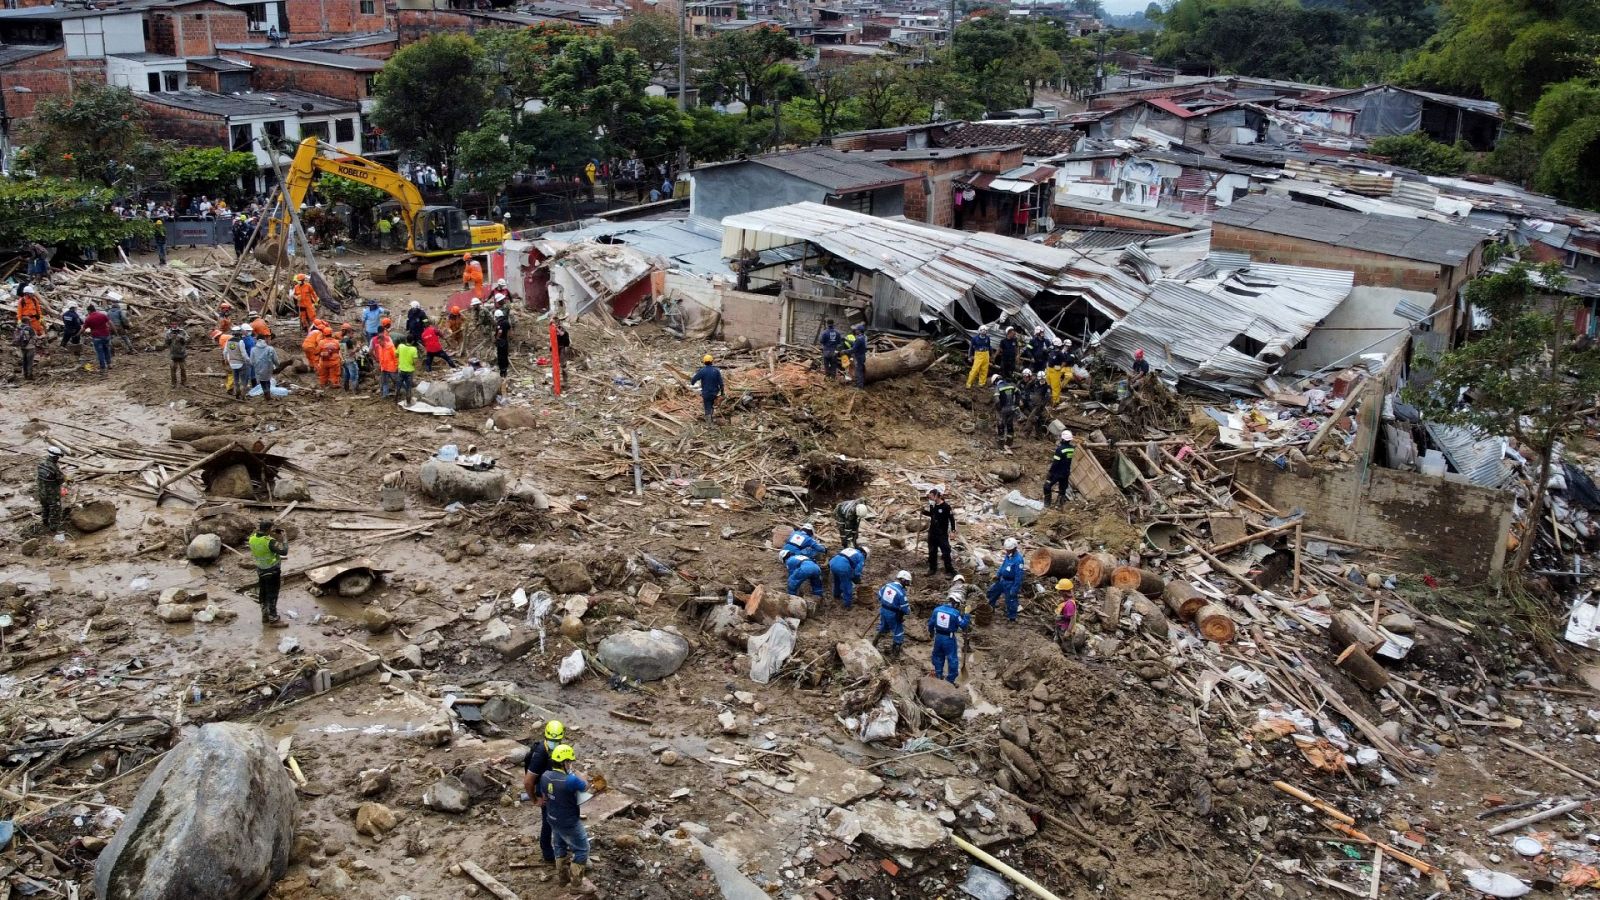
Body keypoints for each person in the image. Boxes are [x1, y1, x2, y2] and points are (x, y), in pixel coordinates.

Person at [539, 744, 598, 894]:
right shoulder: (570, 780)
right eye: (569, 762)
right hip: (569, 821)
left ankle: (563, 878)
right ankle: (576, 885)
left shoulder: (545, 776)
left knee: (559, 847)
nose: (570, 764)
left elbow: (545, 797)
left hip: (552, 818)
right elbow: (584, 787)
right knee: (582, 850)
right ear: (565, 762)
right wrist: (577, 776)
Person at [521, 720, 567, 868]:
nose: (554, 743)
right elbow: (528, 781)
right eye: (552, 740)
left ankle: (561, 846)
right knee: (548, 821)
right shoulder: (541, 753)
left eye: (557, 740)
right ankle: (548, 853)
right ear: (546, 737)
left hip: (553, 787)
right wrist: (535, 799)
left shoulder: (558, 748)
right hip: (544, 790)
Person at [249, 520, 289, 627]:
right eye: (271, 529)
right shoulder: (269, 541)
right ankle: (274, 619)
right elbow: (284, 551)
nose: (272, 531)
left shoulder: (252, 538)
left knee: (263, 593)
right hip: (272, 571)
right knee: (272, 594)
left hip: (261, 569)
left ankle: (265, 615)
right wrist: (284, 538)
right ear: (268, 529)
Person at [928, 594, 972, 684]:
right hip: (949, 638)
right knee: (952, 658)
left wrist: (931, 633)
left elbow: (931, 624)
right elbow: (963, 625)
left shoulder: (937, 610)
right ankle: (950, 680)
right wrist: (967, 615)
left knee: (938, 656)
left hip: (938, 637)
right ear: (956, 603)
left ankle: (938, 674)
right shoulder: (955, 613)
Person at [874, 571, 912, 656]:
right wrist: (907, 611)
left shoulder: (887, 585)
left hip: (883, 610)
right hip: (893, 614)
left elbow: (879, 595)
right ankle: (896, 652)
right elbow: (906, 609)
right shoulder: (901, 593)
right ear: (903, 579)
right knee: (898, 630)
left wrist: (885, 604)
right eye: (907, 581)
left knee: (883, 625)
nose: (908, 583)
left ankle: (875, 641)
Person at [987, 537, 1024, 622]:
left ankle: (1012, 618)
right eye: (1007, 550)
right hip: (1002, 580)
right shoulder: (1008, 555)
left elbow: (1019, 576)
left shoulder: (1018, 560)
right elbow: (1003, 566)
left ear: (1014, 548)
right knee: (992, 592)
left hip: (1011, 582)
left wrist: (1014, 589)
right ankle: (990, 608)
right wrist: (998, 575)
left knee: (1011, 599)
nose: (1007, 551)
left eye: (1009, 550)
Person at [923, 488, 956, 577]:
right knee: (932, 551)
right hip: (932, 533)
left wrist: (953, 531)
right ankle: (932, 568)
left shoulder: (946, 506)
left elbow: (951, 519)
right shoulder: (933, 505)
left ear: (937, 496)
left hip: (942, 534)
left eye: (931, 497)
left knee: (946, 552)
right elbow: (933, 515)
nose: (930, 499)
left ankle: (949, 570)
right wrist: (923, 512)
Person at [36, 446, 66, 533]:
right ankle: (54, 529)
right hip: (52, 494)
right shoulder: (54, 468)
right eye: (58, 457)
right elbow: (60, 480)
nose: (58, 459)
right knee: (55, 510)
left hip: (42, 492)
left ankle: (45, 522)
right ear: (55, 457)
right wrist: (66, 478)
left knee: (45, 507)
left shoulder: (40, 464)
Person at [828, 545, 867, 609]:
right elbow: (857, 571)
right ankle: (847, 604)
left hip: (832, 563)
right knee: (847, 584)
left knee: (837, 580)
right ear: (865, 553)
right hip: (842, 566)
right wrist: (857, 579)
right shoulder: (861, 556)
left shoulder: (850, 549)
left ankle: (836, 595)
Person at [689, 354, 725, 424]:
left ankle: (708, 422)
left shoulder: (702, 371)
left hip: (706, 393)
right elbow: (721, 383)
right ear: (712, 361)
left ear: (704, 362)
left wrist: (692, 383)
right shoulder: (716, 371)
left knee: (707, 405)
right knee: (711, 404)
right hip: (714, 392)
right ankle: (710, 418)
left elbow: (693, 380)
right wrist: (722, 393)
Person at [1043, 430, 1074, 506]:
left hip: (1057, 473)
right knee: (1062, 490)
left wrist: (1050, 472)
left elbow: (1055, 463)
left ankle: (1047, 504)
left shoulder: (1060, 449)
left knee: (1046, 487)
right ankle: (1059, 505)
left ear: (1063, 439)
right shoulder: (1072, 449)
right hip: (1066, 473)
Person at [1019, 368, 1048, 438]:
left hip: (1039, 406)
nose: (1041, 380)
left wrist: (1041, 406)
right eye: (1040, 379)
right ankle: (1039, 435)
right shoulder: (1035, 383)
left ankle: (1026, 434)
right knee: (1036, 419)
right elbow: (1027, 387)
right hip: (1032, 404)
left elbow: (1047, 399)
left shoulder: (1047, 387)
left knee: (1030, 418)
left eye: (1043, 379)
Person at [372, 323, 399, 398]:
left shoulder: (390, 347)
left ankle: (401, 392)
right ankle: (385, 395)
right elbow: (381, 357)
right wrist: (380, 365)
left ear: (384, 340)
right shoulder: (380, 347)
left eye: (380, 342)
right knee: (384, 382)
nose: (379, 344)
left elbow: (396, 357)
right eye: (378, 342)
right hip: (384, 368)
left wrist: (397, 366)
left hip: (391, 368)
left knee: (396, 381)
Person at [84, 303, 113, 373]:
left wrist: (78, 334)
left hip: (97, 337)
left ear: (89, 311)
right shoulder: (102, 315)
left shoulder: (89, 318)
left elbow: (83, 328)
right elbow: (111, 323)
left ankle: (103, 367)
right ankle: (109, 364)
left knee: (100, 352)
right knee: (106, 350)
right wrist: (113, 331)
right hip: (106, 336)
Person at [250, 333, 278, 401]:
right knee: (267, 381)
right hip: (268, 368)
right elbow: (275, 359)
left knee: (262, 382)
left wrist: (255, 366)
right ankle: (268, 395)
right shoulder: (270, 348)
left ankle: (266, 394)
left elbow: (251, 361)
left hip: (258, 368)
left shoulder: (253, 349)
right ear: (264, 339)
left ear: (257, 340)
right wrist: (277, 365)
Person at [992, 374, 1017, 448]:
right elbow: (1018, 393)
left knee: (1001, 424)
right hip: (1012, 408)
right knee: (1010, 424)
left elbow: (997, 400)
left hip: (1003, 409)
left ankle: (1001, 444)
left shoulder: (998, 387)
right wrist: (1016, 404)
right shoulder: (1010, 385)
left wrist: (999, 408)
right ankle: (1009, 443)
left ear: (995, 381)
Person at [395, 336, 420, 404]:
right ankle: (408, 401)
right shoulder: (414, 349)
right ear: (412, 342)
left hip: (401, 370)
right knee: (409, 387)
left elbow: (396, 355)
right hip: (409, 371)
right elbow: (415, 361)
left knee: (398, 385)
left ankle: (396, 399)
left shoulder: (400, 346)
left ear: (406, 340)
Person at [1054, 578, 1077, 652]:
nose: (1058, 592)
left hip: (1065, 629)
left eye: (1059, 590)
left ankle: (1072, 659)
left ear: (1063, 592)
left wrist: (1068, 631)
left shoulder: (1070, 604)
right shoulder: (1065, 600)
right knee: (1057, 643)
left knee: (1068, 648)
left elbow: (1073, 618)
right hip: (1060, 626)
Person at [1046, 338, 1071, 405]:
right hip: (1049, 369)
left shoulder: (1060, 353)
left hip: (1055, 371)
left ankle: (1055, 401)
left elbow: (1064, 362)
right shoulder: (1052, 351)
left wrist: (1060, 368)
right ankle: (1049, 398)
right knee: (1048, 383)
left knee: (1055, 387)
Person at [164, 321, 189, 388]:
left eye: (175, 324)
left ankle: (184, 382)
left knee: (183, 369)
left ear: (177, 324)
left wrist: (181, 338)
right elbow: (166, 343)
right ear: (170, 325)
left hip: (182, 353)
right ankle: (173, 383)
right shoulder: (168, 332)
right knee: (173, 369)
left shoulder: (182, 331)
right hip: (173, 354)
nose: (174, 325)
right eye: (172, 324)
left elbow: (187, 339)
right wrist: (170, 338)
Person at [340, 325, 361, 392]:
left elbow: (342, 352)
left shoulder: (342, 340)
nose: (353, 335)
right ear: (349, 332)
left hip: (344, 360)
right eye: (352, 333)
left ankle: (346, 389)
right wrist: (357, 348)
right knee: (354, 375)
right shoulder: (348, 341)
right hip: (350, 360)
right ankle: (355, 390)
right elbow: (351, 353)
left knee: (347, 375)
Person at [847, 322, 868, 388]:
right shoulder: (863, 337)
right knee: (858, 371)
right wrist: (850, 342)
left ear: (859, 330)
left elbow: (853, 349)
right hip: (862, 355)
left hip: (859, 357)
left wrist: (844, 351)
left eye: (856, 330)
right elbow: (856, 344)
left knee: (859, 372)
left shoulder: (859, 338)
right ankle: (858, 384)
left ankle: (859, 387)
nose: (855, 331)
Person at [493, 309, 511, 378]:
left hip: (501, 342)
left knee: (500, 356)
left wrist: (497, 338)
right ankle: (505, 370)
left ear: (497, 316)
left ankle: (502, 371)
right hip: (505, 341)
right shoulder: (506, 322)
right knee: (505, 355)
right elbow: (510, 330)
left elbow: (500, 331)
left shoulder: (499, 323)